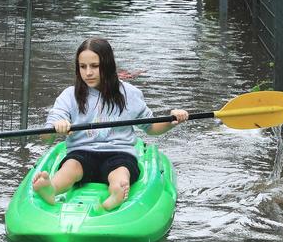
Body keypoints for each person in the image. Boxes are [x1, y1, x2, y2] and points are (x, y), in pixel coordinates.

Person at [32, 37, 188, 211]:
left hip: (119, 153)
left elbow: (151, 128)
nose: (88, 73)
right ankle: (50, 188)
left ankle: (117, 192)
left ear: (107, 64)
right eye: (83, 67)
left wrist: (171, 121)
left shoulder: (129, 93)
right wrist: (56, 127)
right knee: (71, 167)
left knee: (120, 172)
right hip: (82, 153)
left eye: (95, 66)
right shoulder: (69, 96)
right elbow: (45, 137)